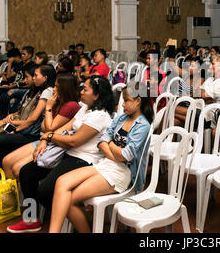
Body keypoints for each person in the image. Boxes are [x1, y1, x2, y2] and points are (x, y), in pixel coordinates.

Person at [7, 76, 114, 233]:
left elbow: (74, 141)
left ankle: (71, 221)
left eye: (85, 89)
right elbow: (65, 127)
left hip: (83, 159)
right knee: (26, 172)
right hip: (67, 152)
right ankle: (31, 219)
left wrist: (49, 136)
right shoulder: (85, 107)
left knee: (45, 191)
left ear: (96, 95)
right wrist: (45, 141)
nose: (81, 92)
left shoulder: (100, 116)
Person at [48, 85, 153, 233]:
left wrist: (110, 146)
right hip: (105, 164)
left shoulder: (143, 125)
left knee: (69, 200)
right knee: (61, 182)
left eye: (127, 100)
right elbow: (102, 141)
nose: (122, 104)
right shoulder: (122, 118)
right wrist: (113, 151)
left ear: (138, 101)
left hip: (122, 173)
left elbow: (125, 156)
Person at [1, 74, 81, 181]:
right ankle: (11, 194)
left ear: (64, 88)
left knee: (17, 169)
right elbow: (44, 128)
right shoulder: (57, 102)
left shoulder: (71, 105)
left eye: (57, 86)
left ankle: (22, 195)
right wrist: (50, 113)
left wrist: (48, 107)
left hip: (54, 145)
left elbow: (49, 127)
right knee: (6, 161)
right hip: (44, 140)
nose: (54, 89)